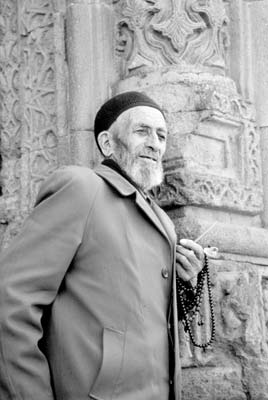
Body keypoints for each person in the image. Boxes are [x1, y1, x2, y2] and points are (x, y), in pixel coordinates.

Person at [0, 91, 205, 400]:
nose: (155, 143)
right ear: (107, 143)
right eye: (142, 131)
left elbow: (143, 318)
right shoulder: (81, 187)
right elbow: (11, 301)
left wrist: (186, 282)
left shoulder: (163, 220)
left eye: (161, 135)